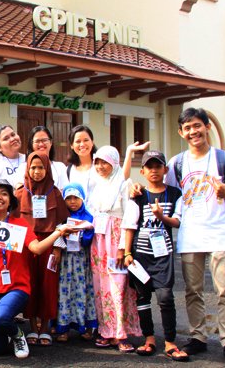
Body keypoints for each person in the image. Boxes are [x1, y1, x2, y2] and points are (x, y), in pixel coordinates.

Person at [0, 179, 76, 359]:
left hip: (16, 287)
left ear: (11, 201)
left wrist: (58, 232)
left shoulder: (20, 225)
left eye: (4, 193)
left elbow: (36, 248)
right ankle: (6, 331)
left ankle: (17, 334)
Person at [164, 108, 225, 364]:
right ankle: (198, 337)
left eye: (197, 126)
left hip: (219, 231)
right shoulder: (176, 163)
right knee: (193, 290)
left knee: (224, 290)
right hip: (190, 234)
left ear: (207, 126)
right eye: (187, 128)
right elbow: (166, 193)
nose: (193, 132)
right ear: (181, 132)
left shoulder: (224, 159)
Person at [124, 151, 188, 361]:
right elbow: (130, 225)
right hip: (141, 256)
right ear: (142, 171)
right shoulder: (138, 195)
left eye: (157, 166)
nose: (154, 170)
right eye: (149, 167)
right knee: (142, 298)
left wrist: (162, 217)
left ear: (165, 170)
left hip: (163, 256)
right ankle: (149, 338)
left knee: (165, 297)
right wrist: (127, 252)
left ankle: (170, 341)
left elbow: (177, 222)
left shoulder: (175, 194)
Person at [87, 145, 141, 352]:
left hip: (116, 239)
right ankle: (106, 331)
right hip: (98, 243)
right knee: (101, 288)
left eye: (105, 162)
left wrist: (122, 248)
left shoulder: (124, 184)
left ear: (115, 163)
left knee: (119, 286)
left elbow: (129, 217)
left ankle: (121, 333)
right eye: (97, 162)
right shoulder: (96, 185)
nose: (100, 166)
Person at [14, 152, 67, 346]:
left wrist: (58, 248)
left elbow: (63, 224)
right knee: (30, 285)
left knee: (48, 285)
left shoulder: (55, 193)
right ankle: (32, 327)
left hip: (49, 247)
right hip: (26, 247)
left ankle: (45, 327)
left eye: (41, 167)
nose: (37, 172)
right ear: (27, 169)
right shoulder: (20, 193)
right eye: (33, 167)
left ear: (48, 169)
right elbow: (13, 222)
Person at [55, 183, 97, 343]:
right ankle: (63, 328)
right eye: (69, 198)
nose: (72, 202)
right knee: (64, 292)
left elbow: (89, 239)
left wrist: (80, 234)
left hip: (81, 260)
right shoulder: (62, 216)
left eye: (76, 198)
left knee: (82, 290)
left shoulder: (87, 217)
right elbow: (56, 235)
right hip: (66, 261)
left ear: (82, 198)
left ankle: (86, 327)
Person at [66, 125, 98, 196]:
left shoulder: (100, 165)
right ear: (72, 145)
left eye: (86, 140)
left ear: (92, 142)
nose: (82, 144)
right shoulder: (69, 170)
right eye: (78, 141)